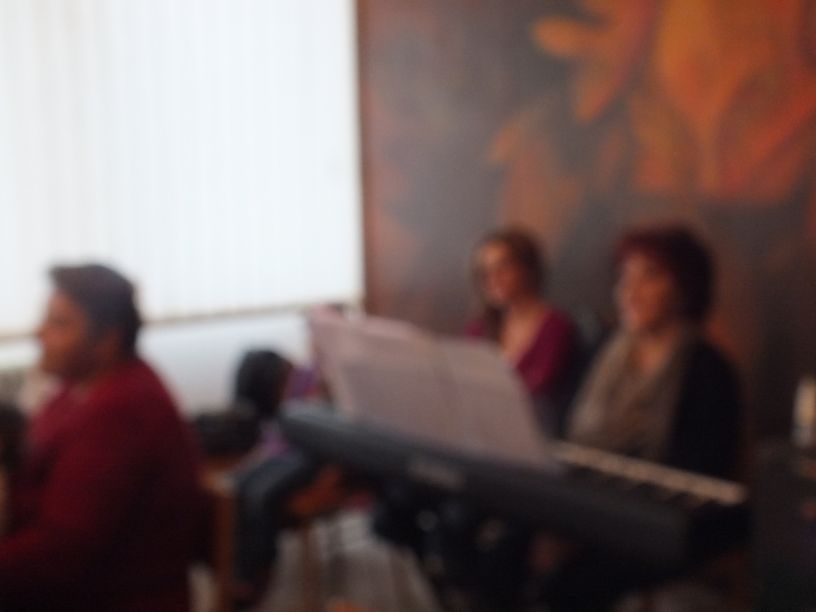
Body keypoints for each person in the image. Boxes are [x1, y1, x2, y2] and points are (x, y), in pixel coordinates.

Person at [540, 224, 744, 612]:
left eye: (649, 277)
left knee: (569, 584)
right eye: (625, 277)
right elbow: (567, 432)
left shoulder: (709, 370)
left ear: (684, 289)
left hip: (649, 525)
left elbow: (700, 476)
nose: (628, 291)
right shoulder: (601, 350)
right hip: (582, 504)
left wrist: (586, 524)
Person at [0, 264, 205, 611]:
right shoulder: (78, 386)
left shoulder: (124, 409)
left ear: (108, 339)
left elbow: (59, 554)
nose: (39, 332)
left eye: (59, 324)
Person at [468, 227, 578, 434]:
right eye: (486, 272)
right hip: (479, 428)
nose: (494, 279)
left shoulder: (555, 326)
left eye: (503, 267)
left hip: (532, 431)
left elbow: (539, 389)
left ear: (527, 269)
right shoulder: (480, 328)